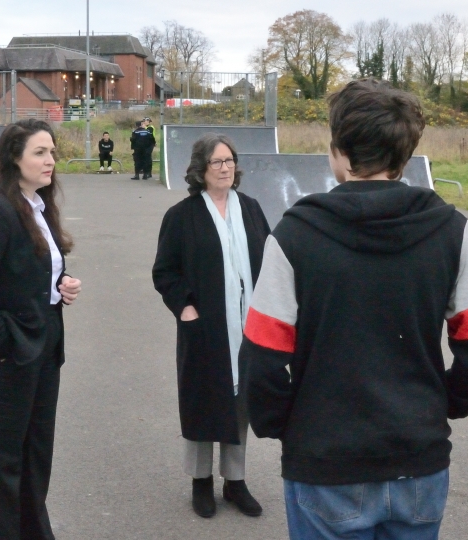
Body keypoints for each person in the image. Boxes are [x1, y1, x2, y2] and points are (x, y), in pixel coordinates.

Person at [240, 79, 468, 539]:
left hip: (324, 462)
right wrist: (437, 406)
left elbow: (262, 359)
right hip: (419, 461)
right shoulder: (452, 231)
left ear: (339, 150)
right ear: (405, 155)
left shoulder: (294, 236)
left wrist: (285, 426)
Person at [0, 119, 82, 540]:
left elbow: (30, 271)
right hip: (10, 355)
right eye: (39, 153)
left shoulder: (39, 206)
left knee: (35, 454)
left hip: (44, 346)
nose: (50, 161)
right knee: (4, 461)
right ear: (15, 158)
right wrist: (4, 345)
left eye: (51, 152)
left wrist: (61, 285)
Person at [152, 133, 271, 519]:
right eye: (217, 162)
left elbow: (269, 260)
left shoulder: (251, 209)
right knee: (203, 399)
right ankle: (200, 481)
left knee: (240, 403)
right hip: (204, 326)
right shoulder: (182, 216)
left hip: (247, 325)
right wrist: (185, 308)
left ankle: (235, 482)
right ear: (200, 170)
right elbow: (165, 271)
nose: (225, 168)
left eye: (230, 161)